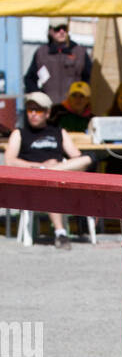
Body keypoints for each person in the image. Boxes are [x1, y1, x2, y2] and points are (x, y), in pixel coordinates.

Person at [3, 91, 99, 247]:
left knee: (90, 158)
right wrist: (40, 167)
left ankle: (52, 173)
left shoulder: (58, 132)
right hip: (34, 180)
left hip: (61, 177)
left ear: (47, 113)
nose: (33, 114)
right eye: (30, 110)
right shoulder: (19, 133)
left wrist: (56, 168)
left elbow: (76, 157)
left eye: (38, 110)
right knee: (50, 181)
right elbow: (9, 161)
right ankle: (60, 232)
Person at [23, 19, 92, 105]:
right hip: (50, 108)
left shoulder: (80, 52)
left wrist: (81, 98)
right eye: (57, 29)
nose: (62, 32)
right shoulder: (41, 53)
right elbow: (29, 79)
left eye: (64, 28)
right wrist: (40, 97)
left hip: (73, 108)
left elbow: (89, 78)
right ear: (50, 31)